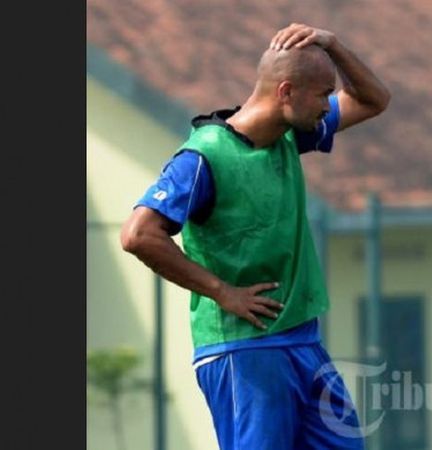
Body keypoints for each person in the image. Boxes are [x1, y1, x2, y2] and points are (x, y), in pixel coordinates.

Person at [120, 22, 390, 450]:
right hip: (243, 349)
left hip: (303, 340)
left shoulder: (288, 137)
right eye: (322, 93)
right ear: (286, 92)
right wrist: (222, 291)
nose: (327, 105)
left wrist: (333, 44)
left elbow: (374, 99)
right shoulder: (204, 156)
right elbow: (138, 234)